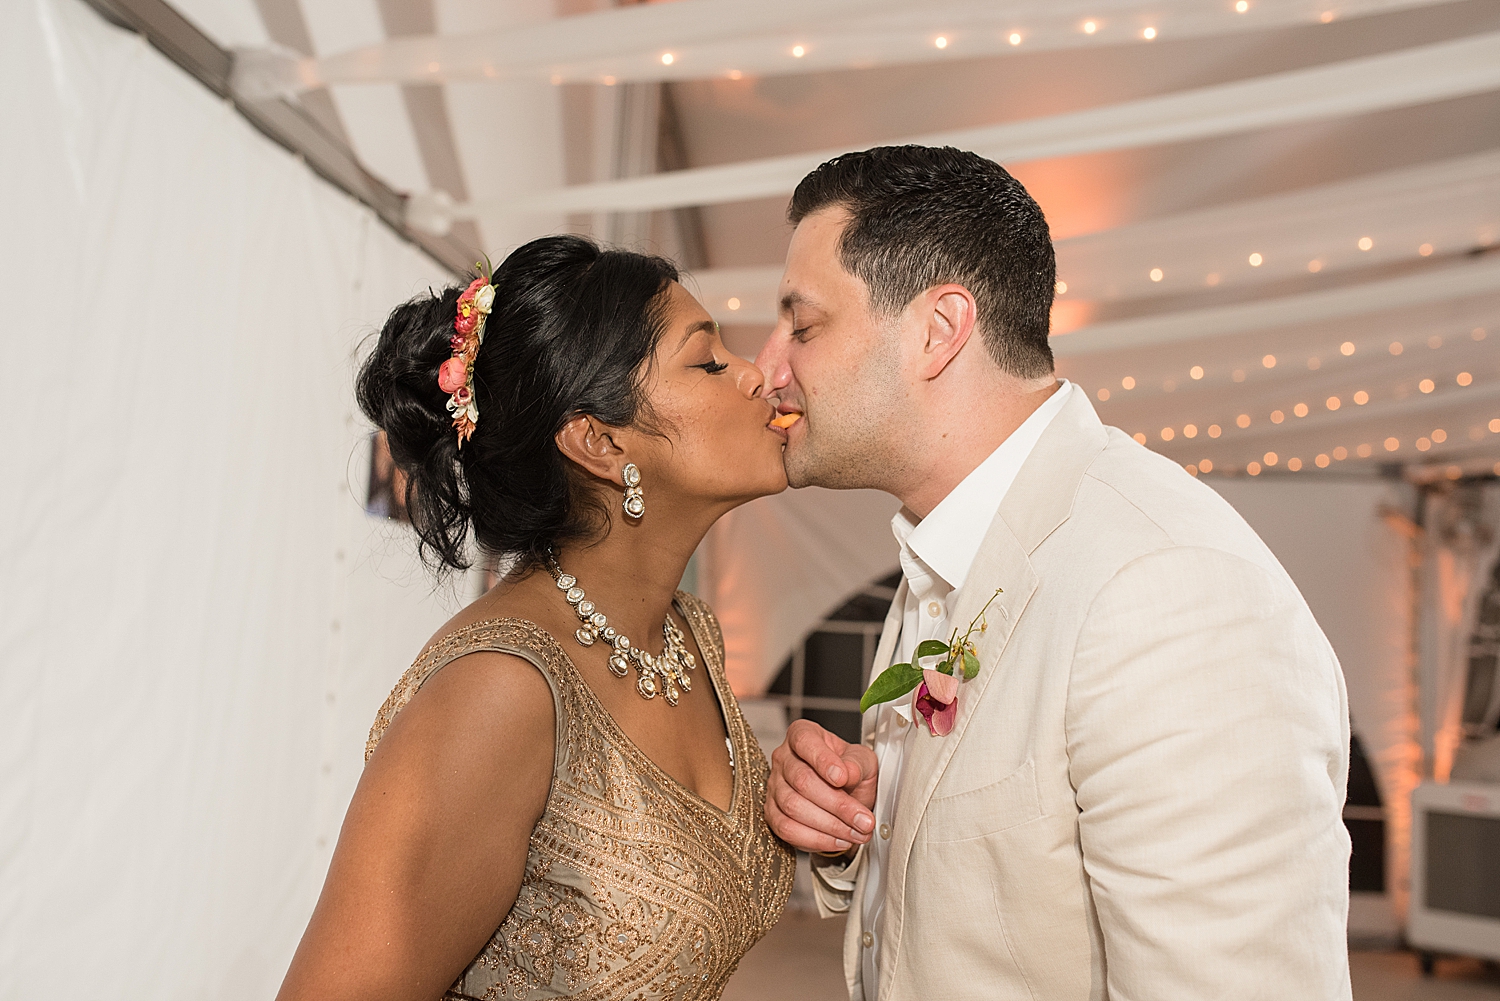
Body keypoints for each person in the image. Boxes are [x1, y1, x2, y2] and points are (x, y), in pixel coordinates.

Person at [759, 146, 1352, 1000]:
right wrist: (865, 827)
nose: (769, 367)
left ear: (938, 328)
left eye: (803, 325)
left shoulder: (1168, 589)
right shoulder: (946, 553)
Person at [276, 235, 795, 1001]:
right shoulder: (500, 693)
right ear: (599, 439)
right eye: (708, 362)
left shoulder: (691, 635)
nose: (756, 375)